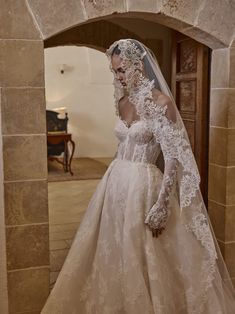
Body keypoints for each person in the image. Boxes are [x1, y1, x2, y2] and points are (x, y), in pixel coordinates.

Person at [41, 39, 235, 314]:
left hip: (145, 186)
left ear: (138, 65)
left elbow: (173, 155)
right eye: (115, 71)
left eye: (122, 70)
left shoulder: (162, 102)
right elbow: (123, 144)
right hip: (116, 181)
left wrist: (163, 202)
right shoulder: (122, 101)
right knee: (111, 247)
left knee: (145, 252)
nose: (118, 76)